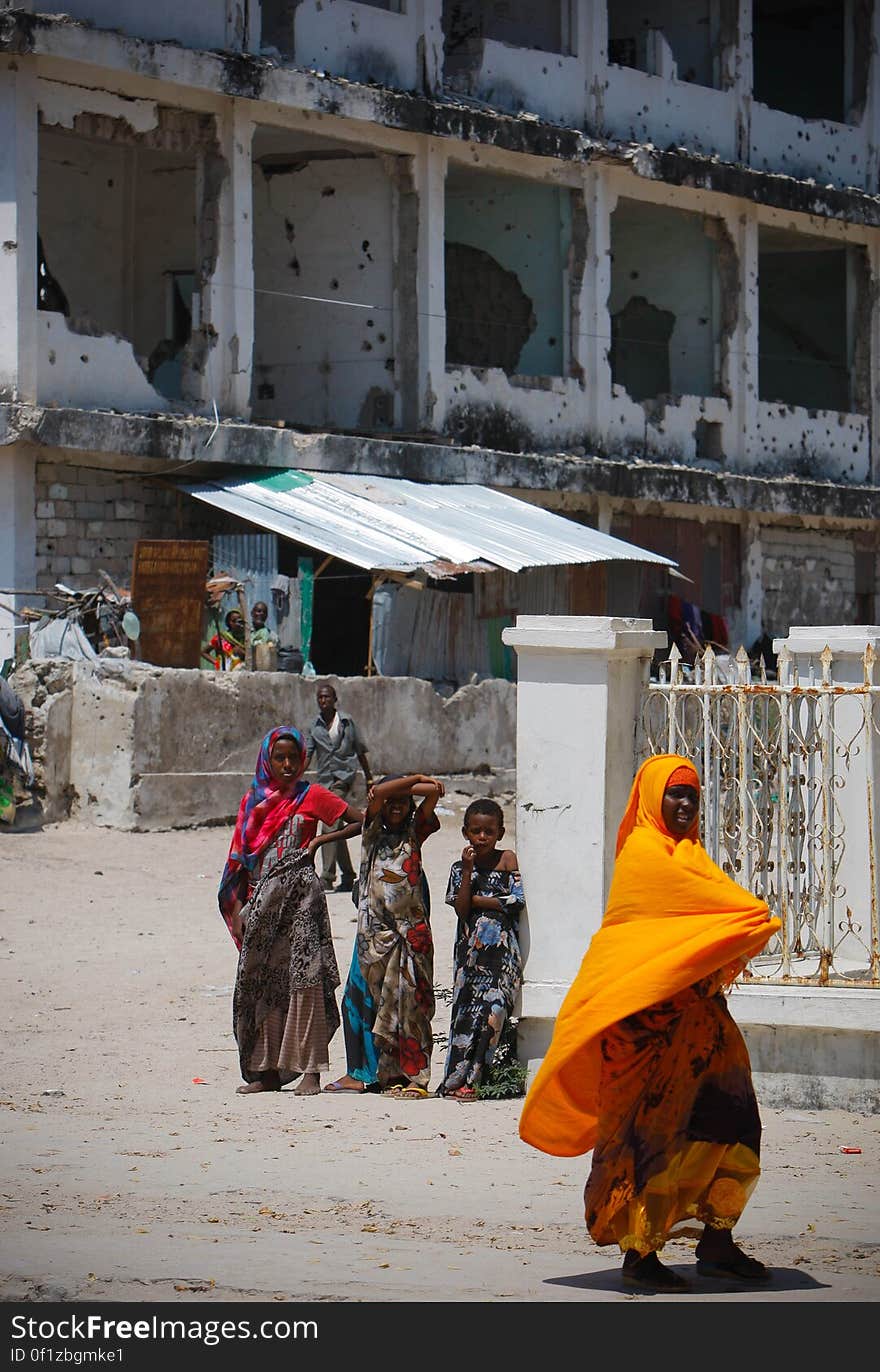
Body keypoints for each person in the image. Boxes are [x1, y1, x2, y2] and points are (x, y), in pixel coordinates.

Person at [519, 753, 781, 1292]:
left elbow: (717, 922)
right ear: (652, 797)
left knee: (728, 1122)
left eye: (693, 796)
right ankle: (638, 1254)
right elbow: (719, 919)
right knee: (647, 1137)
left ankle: (716, 1240)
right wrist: (754, 917)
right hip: (644, 1030)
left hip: (701, 1025)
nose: (685, 805)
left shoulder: (691, 857)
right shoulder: (645, 855)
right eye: (675, 794)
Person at [218, 726, 363, 1097]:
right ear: (267, 759)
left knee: (306, 981)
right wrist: (239, 908)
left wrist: (319, 841)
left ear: (302, 761)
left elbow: (359, 820)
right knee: (264, 983)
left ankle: (311, 1069)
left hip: (302, 899)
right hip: (262, 903)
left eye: (293, 758)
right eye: (279, 758)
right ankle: (266, 1072)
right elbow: (240, 857)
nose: (286, 764)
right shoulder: (253, 799)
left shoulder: (311, 795)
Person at [324, 773, 444, 1099]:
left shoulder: (414, 832)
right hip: (375, 937)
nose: (395, 809)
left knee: (411, 1007)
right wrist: (414, 778)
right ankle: (385, 1075)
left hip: (412, 936)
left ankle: (415, 1079)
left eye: (403, 803)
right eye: (391, 804)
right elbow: (378, 793)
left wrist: (415, 786)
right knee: (367, 1003)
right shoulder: (371, 831)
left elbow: (434, 792)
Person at [437, 798, 524, 1101]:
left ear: (500, 832)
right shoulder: (460, 868)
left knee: (494, 1012)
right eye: (476, 831)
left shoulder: (508, 859)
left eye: (489, 831)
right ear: (465, 833)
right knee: (466, 1014)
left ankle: (479, 1079)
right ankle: (459, 1079)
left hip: (501, 958)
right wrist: (469, 870)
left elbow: (516, 901)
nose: (482, 837)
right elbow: (461, 908)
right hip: (470, 956)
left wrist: (480, 901)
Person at [305, 684, 372, 893]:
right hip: (324, 780)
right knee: (337, 827)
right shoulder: (314, 727)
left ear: (334, 699)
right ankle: (348, 874)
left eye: (326, 697)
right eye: (320, 697)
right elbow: (307, 754)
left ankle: (327, 876)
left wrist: (369, 778)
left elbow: (359, 751)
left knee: (330, 824)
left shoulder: (346, 722)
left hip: (343, 778)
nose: (323, 700)